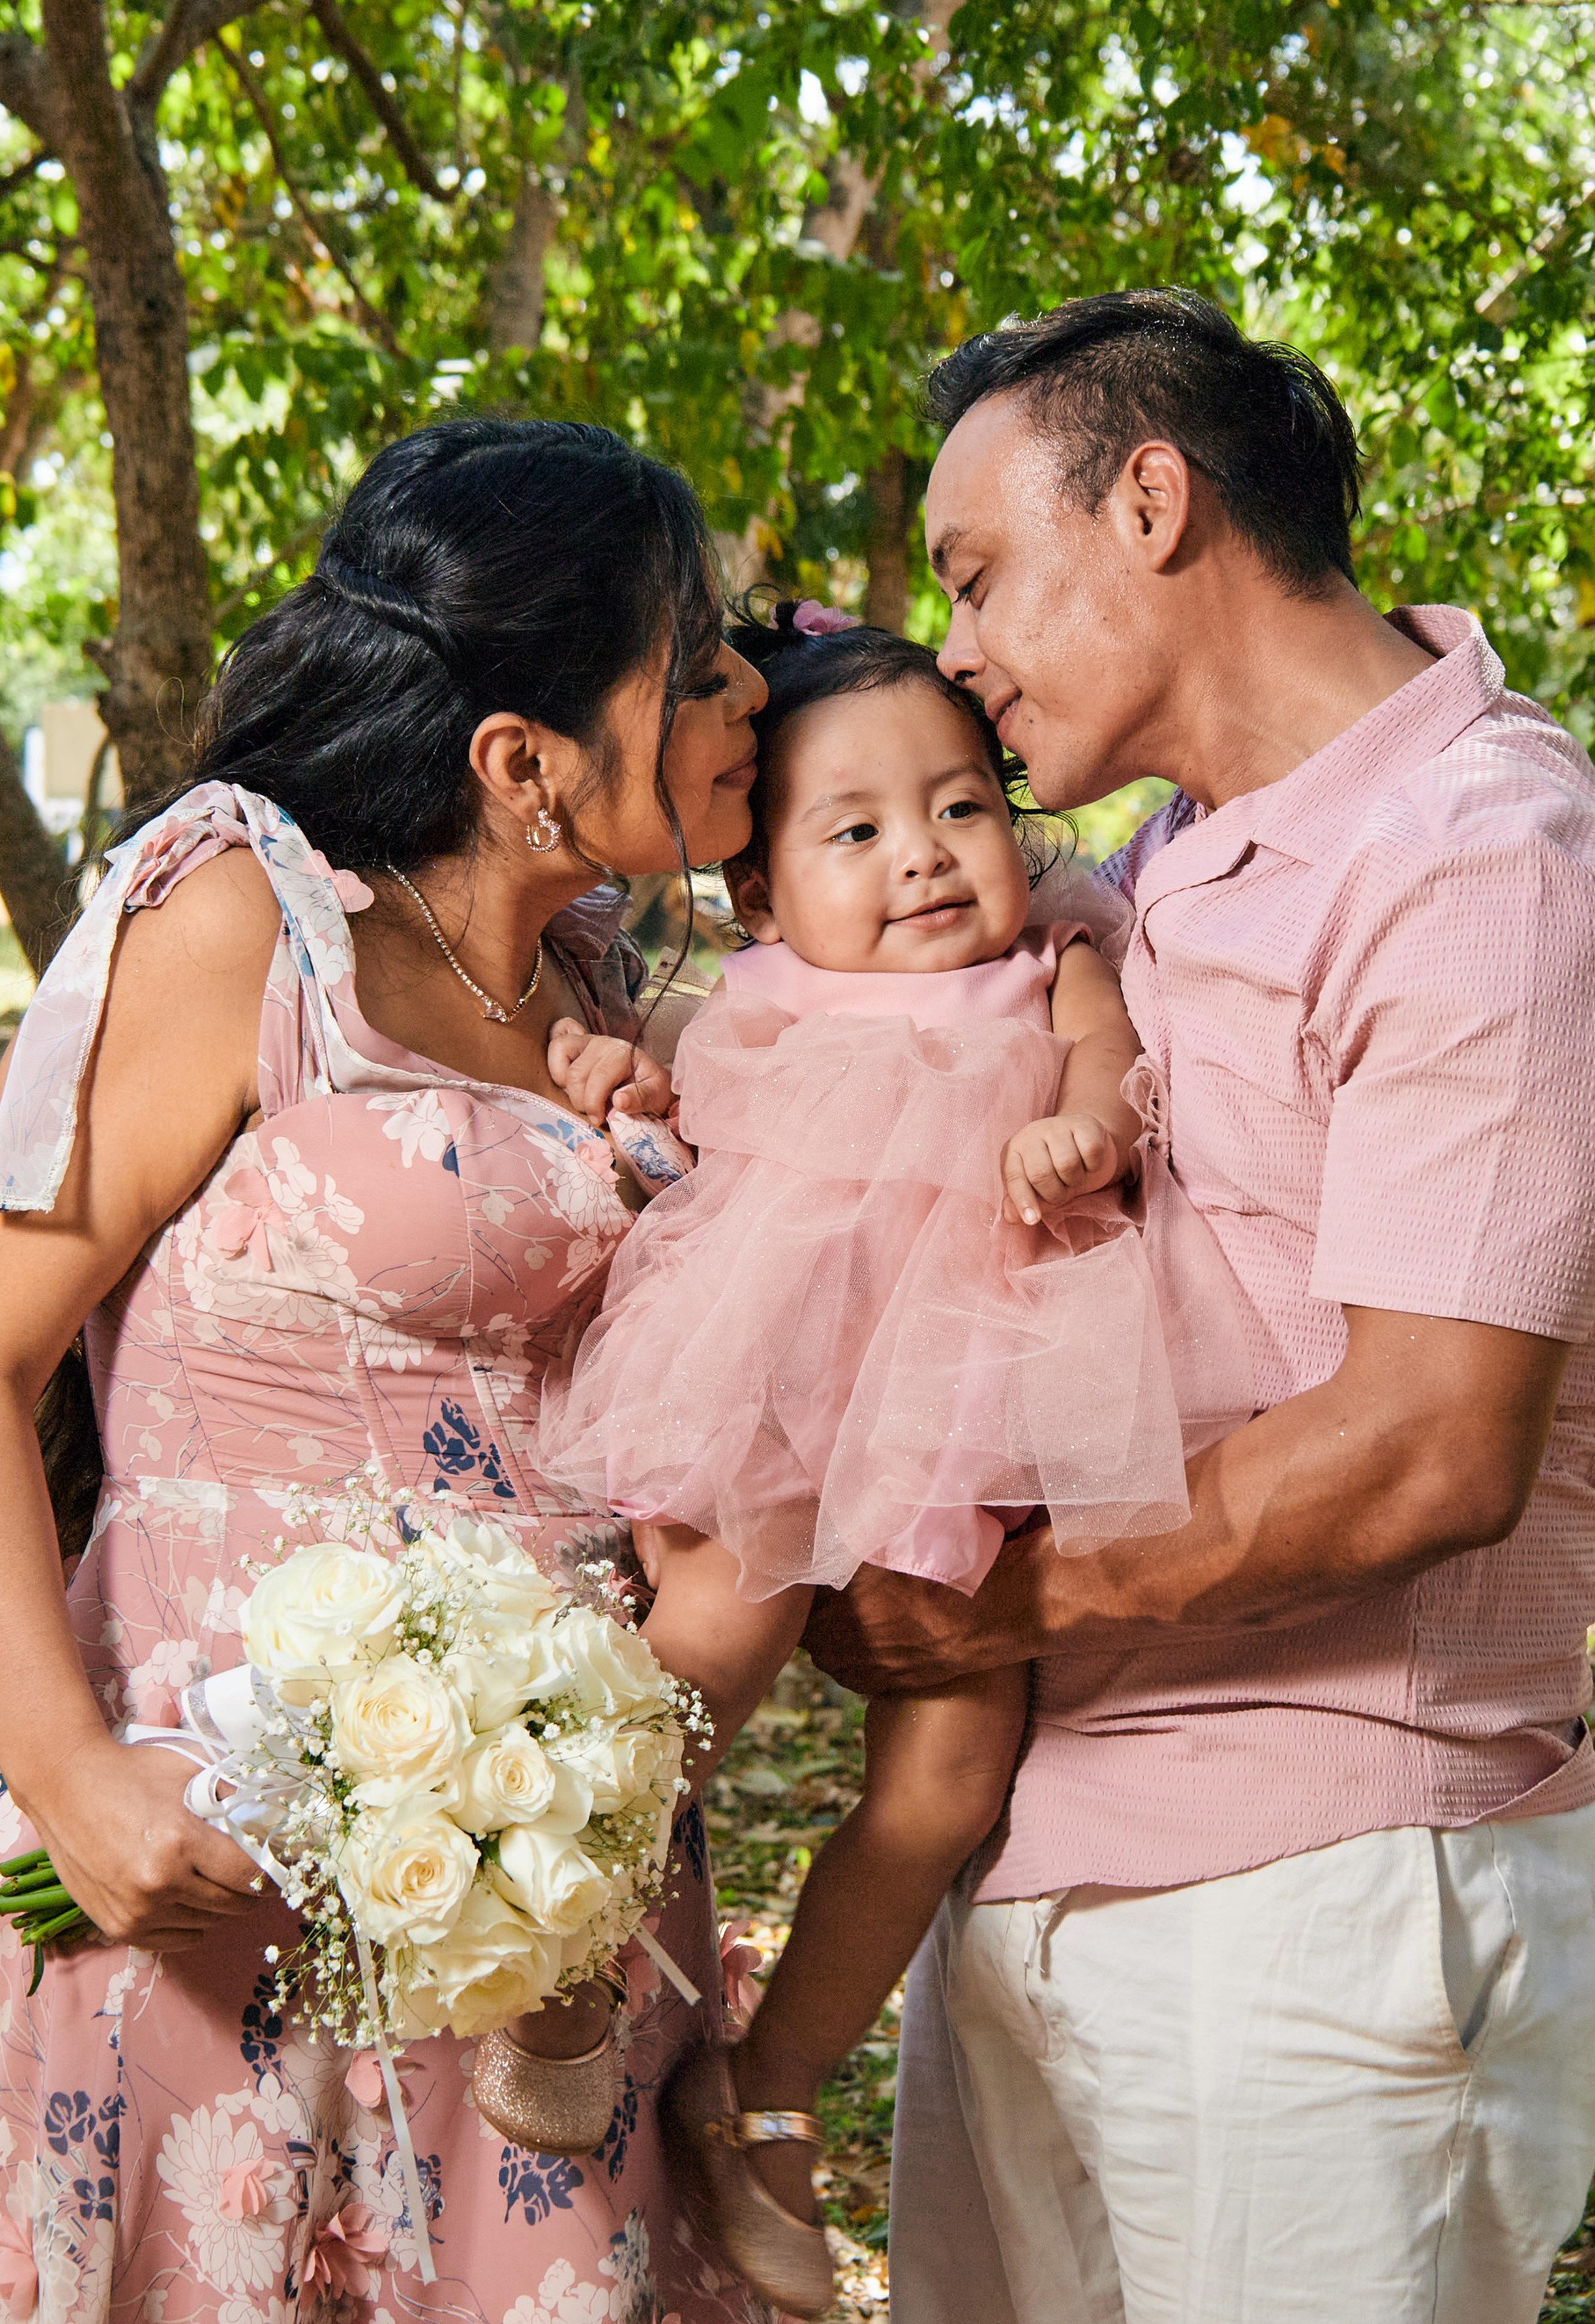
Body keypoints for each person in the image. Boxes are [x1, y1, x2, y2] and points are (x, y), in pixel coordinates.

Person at [794, 288, 1595, 2324]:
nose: (956, 649)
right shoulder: (1151, 864)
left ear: (1151, 501)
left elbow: (1433, 1441)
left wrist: (997, 1603)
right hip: (1041, 1873)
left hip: (1318, 1909)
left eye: (975, 575)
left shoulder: (1479, 845)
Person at [0, 417, 775, 2324]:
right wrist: (70, 1777)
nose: (753, 690)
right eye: (695, 663)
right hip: (215, 1880)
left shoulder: (605, 994)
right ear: (521, 761)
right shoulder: (245, 917)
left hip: (549, 1932)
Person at [533, 610, 1252, 2318]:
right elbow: (678, 1115)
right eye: (854, 831)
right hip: (779, 1383)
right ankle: (560, 1944)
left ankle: (763, 2091)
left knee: (950, 1776)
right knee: (712, 1638)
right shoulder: (759, 994)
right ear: (763, 892)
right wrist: (620, 1084)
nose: (923, 858)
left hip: (985, 1411)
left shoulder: (1063, 959)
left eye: (961, 809)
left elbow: (1110, 1065)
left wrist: (1092, 1114)